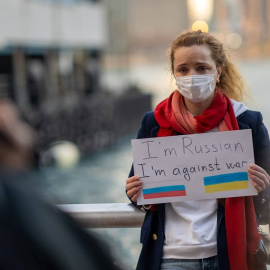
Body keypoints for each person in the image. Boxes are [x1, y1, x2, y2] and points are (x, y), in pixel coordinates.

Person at [125, 30, 270, 270]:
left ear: (218, 70)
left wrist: (264, 186)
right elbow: (137, 191)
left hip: (226, 253)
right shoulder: (153, 123)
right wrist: (133, 191)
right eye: (183, 69)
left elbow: (266, 199)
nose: (192, 76)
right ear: (174, 73)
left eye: (202, 68)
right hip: (170, 256)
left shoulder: (247, 122)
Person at [0, 99, 123, 270]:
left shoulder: (22, 197)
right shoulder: (19, 203)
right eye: (18, 123)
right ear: (8, 141)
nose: (28, 132)